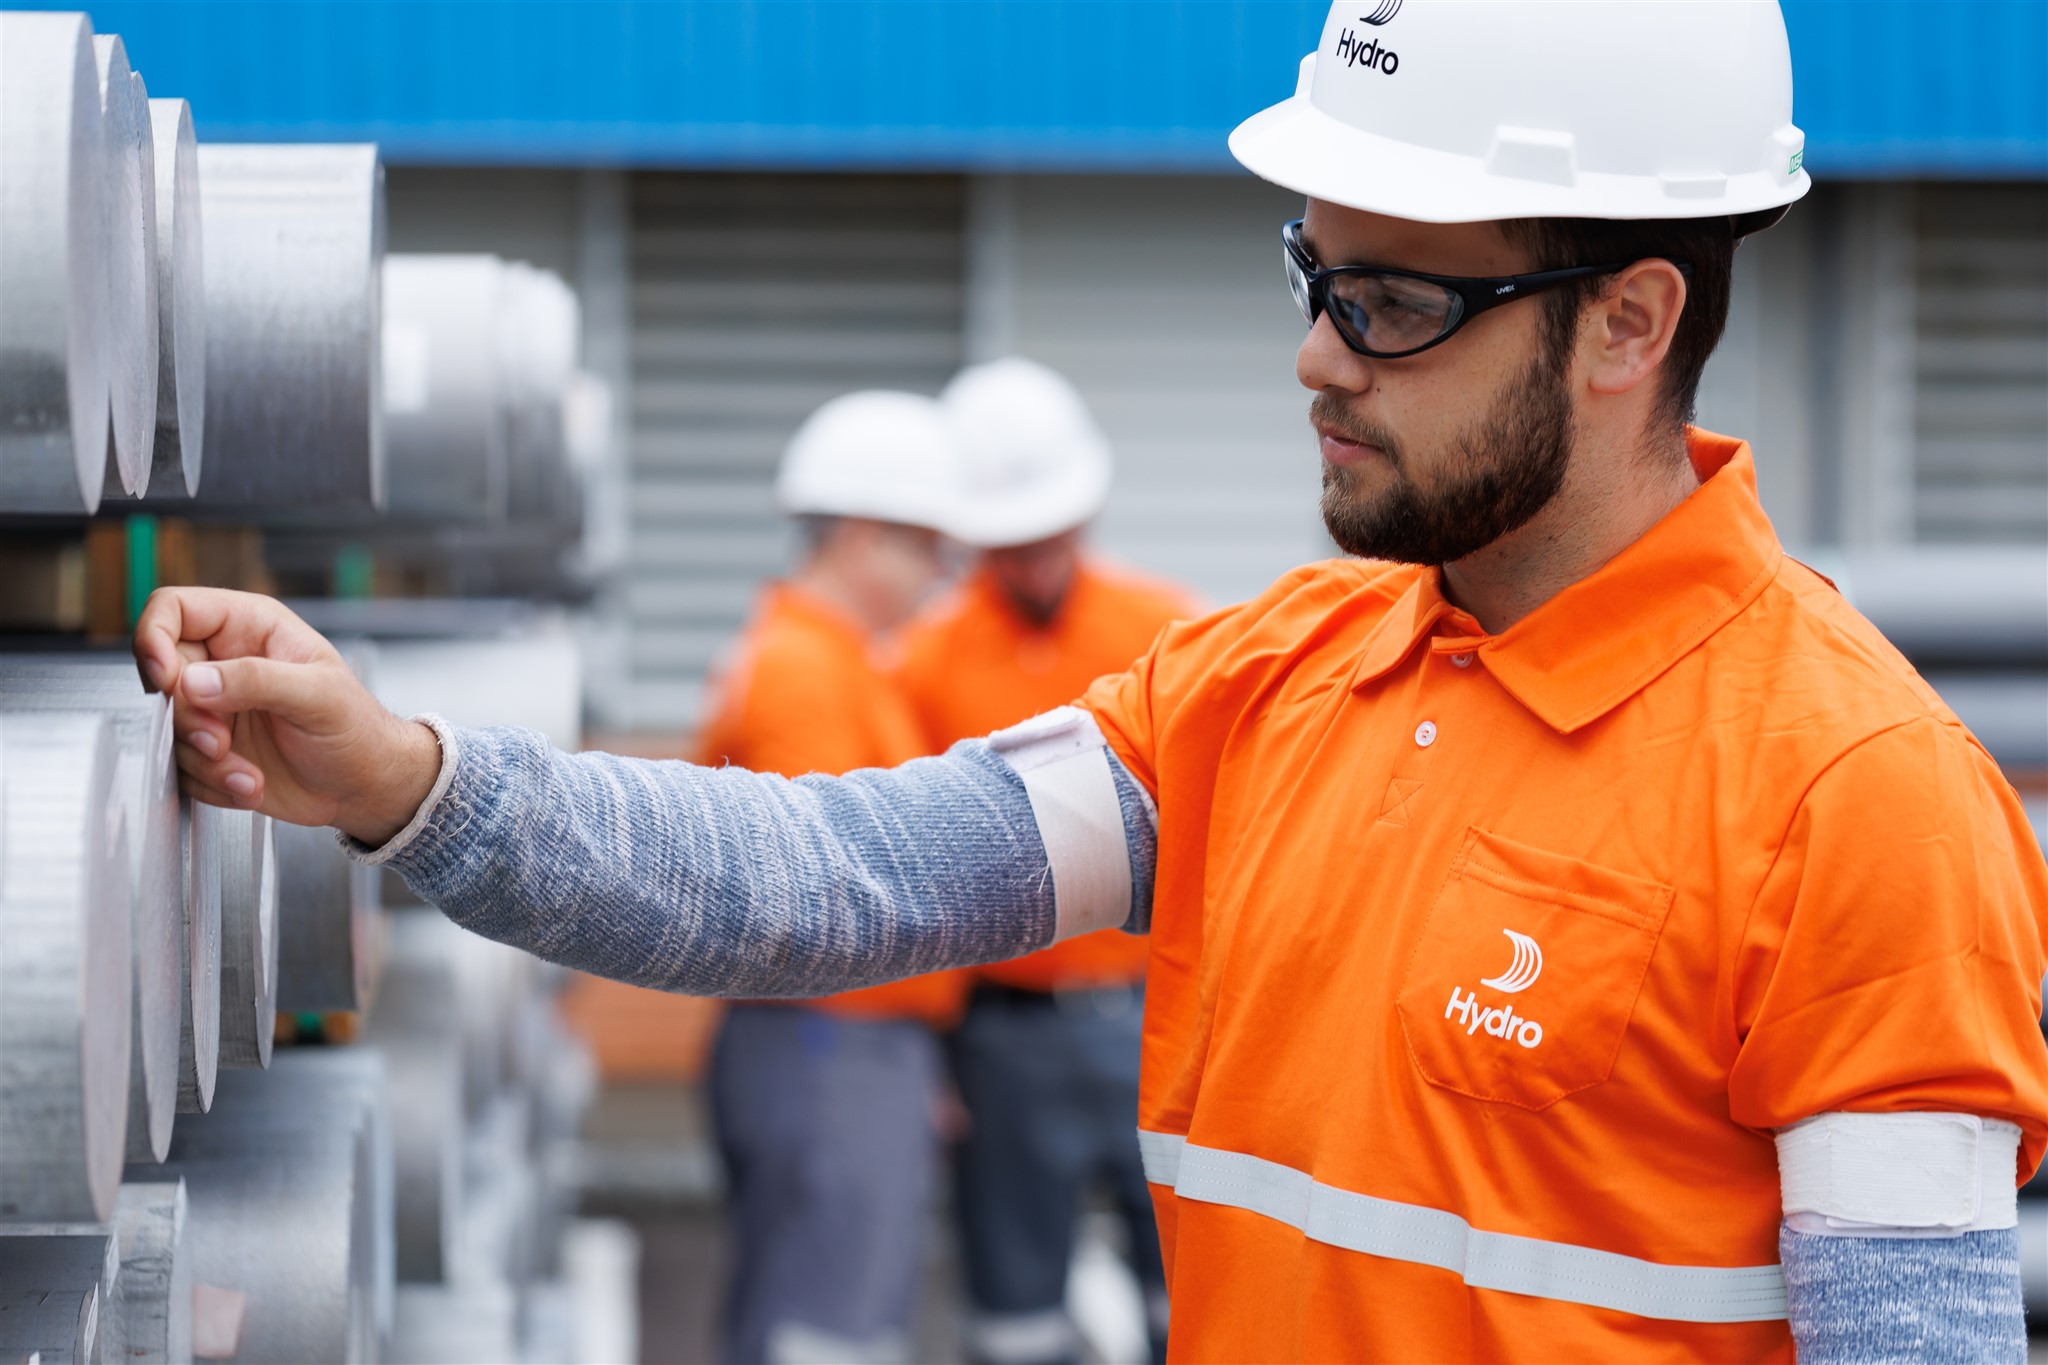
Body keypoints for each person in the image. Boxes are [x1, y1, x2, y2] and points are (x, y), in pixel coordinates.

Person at [134, 3, 2048, 1359]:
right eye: (1312, 274)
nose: (1315, 356)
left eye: (1392, 303)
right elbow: (825, 883)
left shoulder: (1852, 799)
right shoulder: (1255, 690)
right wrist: (402, 776)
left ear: (1627, 321)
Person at [897, 358, 1197, 1365]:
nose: (1032, 560)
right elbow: (912, 872)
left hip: (1155, 1018)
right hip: (1001, 1035)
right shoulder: (925, 659)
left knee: (1195, 1298)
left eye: (1048, 534)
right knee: (1015, 1318)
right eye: (1010, 543)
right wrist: (930, 1056)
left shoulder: (1165, 634)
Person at [693, 390, 969, 1364]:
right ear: (860, 538)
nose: (938, 576)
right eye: (926, 547)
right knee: (826, 1329)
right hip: (830, 1042)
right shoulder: (805, 671)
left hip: (845, 1045)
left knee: (820, 1313)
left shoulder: (833, 658)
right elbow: (829, 897)